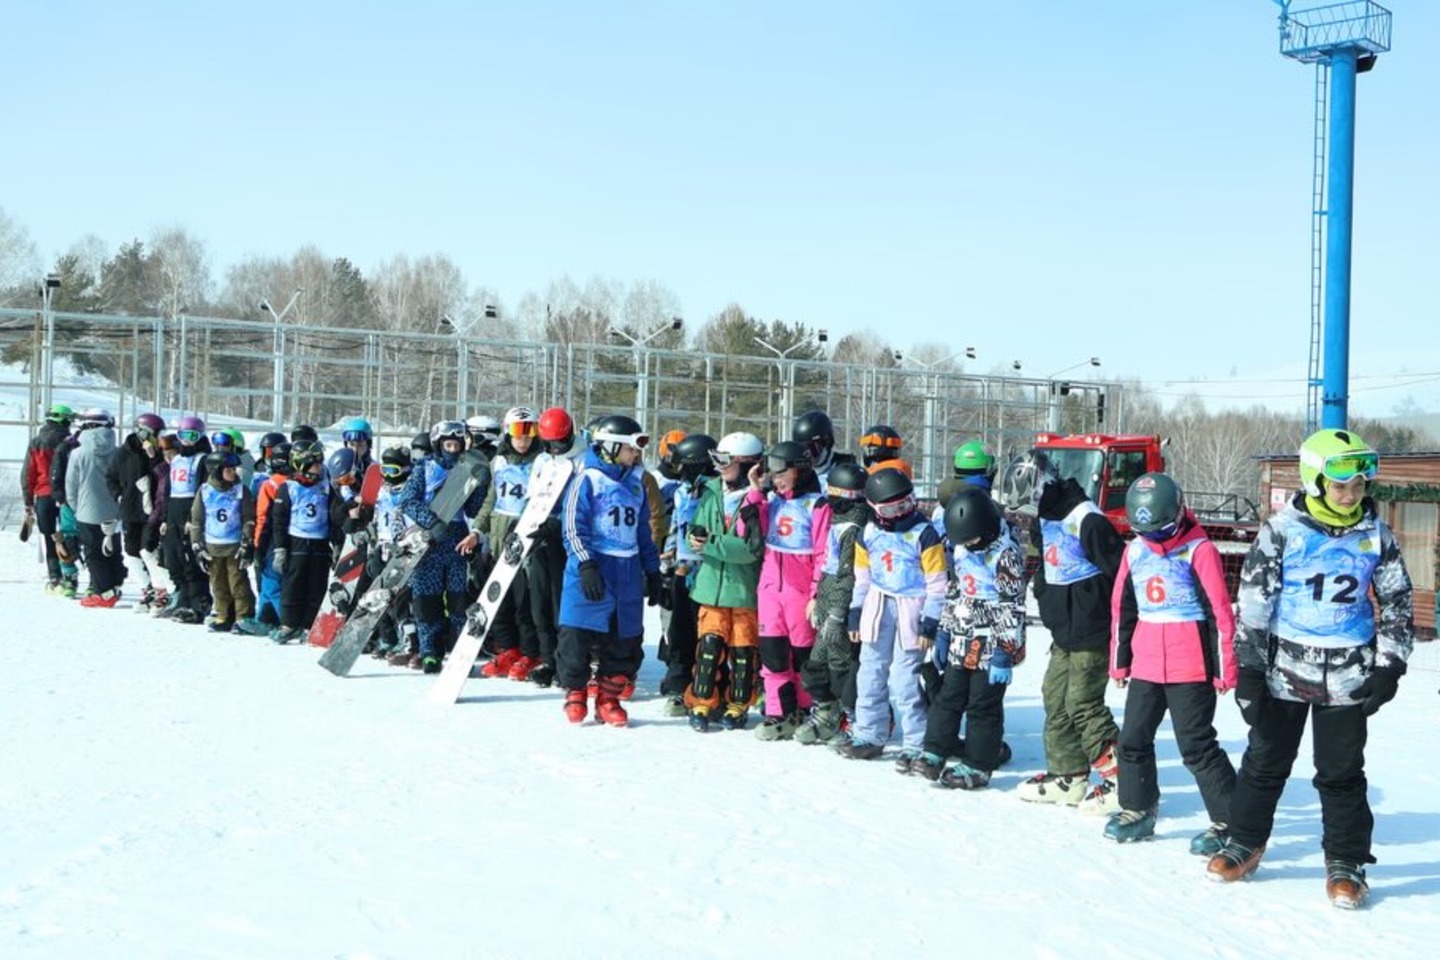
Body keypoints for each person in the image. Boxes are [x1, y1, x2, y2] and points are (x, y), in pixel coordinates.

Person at [1207, 429, 1414, 910]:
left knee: (1341, 772)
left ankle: (1346, 862)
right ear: (1316, 481)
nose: (1351, 494)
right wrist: (1251, 673)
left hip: (1348, 675)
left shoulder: (1375, 536)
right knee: (1265, 762)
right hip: (1284, 671)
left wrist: (1390, 666)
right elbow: (1255, 604)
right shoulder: (1283, 531)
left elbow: (1399, 604)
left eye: (1360, 486)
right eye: (1341, 486)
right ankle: (1243, 841)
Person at [1105, 472, 1237, 847]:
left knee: (1196, 746)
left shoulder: (1200, 549)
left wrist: (1224, 668)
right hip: (1147, 662)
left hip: (1189, 664)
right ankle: (1138, 808)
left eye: (1163, 532)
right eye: (1149, 535)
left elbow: (1219, 612)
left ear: (1178, 515)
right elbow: (1122, 607)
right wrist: (1120, 661)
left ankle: (1231, 822)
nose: (1156, 543)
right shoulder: (1134, 550)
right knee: (1132, 739)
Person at [1001, 449, 1125, 810]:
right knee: (1054, 697)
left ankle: (1123, 781)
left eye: (1028, 506)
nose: (1027, 517)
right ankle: (1067, 776)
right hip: (1063, 629)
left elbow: (1120, 573)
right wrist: (1043, 593)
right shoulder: (1046, 517)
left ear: (1043, 488)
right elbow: (1044, 561)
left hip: (1092, 629)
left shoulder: (1085, 518)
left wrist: (1121, 628)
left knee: (1082, 704)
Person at [914, 488, 1026, 787]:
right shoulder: (962, 548)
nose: (969, 547)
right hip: (962, 637)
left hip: (992, 643)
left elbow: (1011, 606)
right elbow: (955, 591)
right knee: (948, 697)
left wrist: (1005, 650)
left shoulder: (1007, 555)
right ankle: (935, 750)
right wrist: (943, 631)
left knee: (982, 705)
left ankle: (978, 763)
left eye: (973, 541)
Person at [556, 415, 662, 726]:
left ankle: (608, 697)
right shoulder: (587, 479)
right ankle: (575, 692)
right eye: (633, 447)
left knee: (625, 639)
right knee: (576, 637)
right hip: (592, 568)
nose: (637, 454)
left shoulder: (636, 484)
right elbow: (573, 527)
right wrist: (586, 563)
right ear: (612, 446)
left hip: (626, 571)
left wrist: (652, 571)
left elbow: (642, 532)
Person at [841, 468, 947, 764]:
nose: (902, 512)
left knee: (904, 679)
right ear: (876, 510)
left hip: (912, 609)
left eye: (906, 504)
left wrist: (930, 622)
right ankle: (869, 733)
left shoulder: (924, 534)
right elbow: (861, 579)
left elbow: (937, 584)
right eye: (892, 508)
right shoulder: (869, 533)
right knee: (870, 673)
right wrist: (855, 612)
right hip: (878, 606)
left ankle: (916, 740)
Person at [746, 440, 833, 741]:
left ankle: (807, 711)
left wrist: (815, 595)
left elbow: (824, 555)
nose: (776, 479)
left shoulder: (817, 505)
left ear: (799, 469)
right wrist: (755, 492)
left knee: (803, 657)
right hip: (771, 589)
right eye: (772, 473)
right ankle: (778, 712)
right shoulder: (770, 500)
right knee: (772, 655)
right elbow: (747, 531)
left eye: (781, 473)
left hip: (800, 593)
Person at [683, 432, 765, 732]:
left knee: (743, 651)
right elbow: (698, 525)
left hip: (743, 589)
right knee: (708, 647)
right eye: (715, 459)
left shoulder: (759, 499)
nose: (718, 466)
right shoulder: (710, 490)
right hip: (710, 585)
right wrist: (695, 536)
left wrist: (710, 543)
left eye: (725, 460)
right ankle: (701, 701)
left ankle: (738, 704)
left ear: (745, 465)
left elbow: (749, 550)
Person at [397, 421, 488, 672]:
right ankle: (430, 652)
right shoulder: (425, 469)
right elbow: (408, 501)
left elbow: (471, 508)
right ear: (438, 445)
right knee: (427, 600)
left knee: (458, 600)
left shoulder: (465, 470)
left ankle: (460, 652)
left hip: (457, 538)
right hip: (429, 541)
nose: (452, 449)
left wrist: (480, 486)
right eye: (447, 444)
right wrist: (431, 522)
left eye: (456, 445)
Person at [795, 461, 870, 745]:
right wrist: (817, 599)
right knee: (818, 661)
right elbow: (829, 566)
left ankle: (852, 717)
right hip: (828, 596)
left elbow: (850, 574)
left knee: (839, 661)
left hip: (844, 604)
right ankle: (826, 712)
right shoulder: (839, 520)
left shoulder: (854, 526)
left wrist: (838, 611)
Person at [476, 406, 543, 679]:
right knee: (498, 598)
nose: (524, 437)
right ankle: (507, 648)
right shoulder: (499, 462)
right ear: (507, 431)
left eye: (530, 430)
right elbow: (491, 501)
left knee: (523, 600)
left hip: (525, 539)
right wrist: (477, 530)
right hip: (498, 538)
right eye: (518, 430)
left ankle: (530, 652)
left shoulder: (542, 462)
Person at [657, 433, 717, 712]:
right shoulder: (682, 491)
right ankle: (678, 685)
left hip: (710, 572)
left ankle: (710, 687)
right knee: (679, 631)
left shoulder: (715, 492)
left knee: (708, 633)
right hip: (683, 569)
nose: (679, 471)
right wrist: (667, 566)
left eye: (684, 465)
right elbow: (675, 527)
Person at [266, 439, 346, 643]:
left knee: (316, 586)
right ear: (301, 464)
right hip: (297, 543)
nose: (319, 468)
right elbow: (279, 520)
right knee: (293, 584)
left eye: (320, 464)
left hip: (320, 544)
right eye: (315, 464)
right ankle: (289, 624)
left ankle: (310, 625)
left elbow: (334, 517)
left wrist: (337, 544)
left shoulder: (325, 488)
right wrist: (281, 548)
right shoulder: (288, 488)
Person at [525, 407, 582, 687]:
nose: (556, 448)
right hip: (541, 536)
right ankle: (547, 659)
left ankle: (564, 662)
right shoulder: (542, 461)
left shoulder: (583, 460)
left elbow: (583, 503)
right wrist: (526, 524)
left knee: (562, 604)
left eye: (561, 442)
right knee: (539, 602)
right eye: (550, 444)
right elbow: (533, 495)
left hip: (567, 538)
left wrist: (557, 524)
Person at [190, 450, 256, 632]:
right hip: (213, 546)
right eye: (229, 469)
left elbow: (248, 517)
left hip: (234, 545)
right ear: (216, 470)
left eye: (234, 469)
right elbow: (197, 521)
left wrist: (247, 541)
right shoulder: (205, 491)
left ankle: (243, 616)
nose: (234, 472)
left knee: (238, 583)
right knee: (218, 584)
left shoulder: (240, 490)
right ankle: (223, 615)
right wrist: (197, 545)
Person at [66, 409, 126, 607]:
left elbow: (71, 485)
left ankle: (103, 593)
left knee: (93, 553)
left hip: (87, 510)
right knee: (113, 549)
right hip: (114, 511)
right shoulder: (118, 452)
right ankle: (115, 586)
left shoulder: (78, 453)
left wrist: (77, 508)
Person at [158, 416, 213, 623]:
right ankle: (181, 598)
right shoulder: (177, 459)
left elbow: (202, 490)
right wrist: (164, 518)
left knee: (191, 559)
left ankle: (198, 603)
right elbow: (168, 491)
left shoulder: (203, 459)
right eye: (183, 436)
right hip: (173, 510)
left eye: (192, 436)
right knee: (174, 558)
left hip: (191, 509)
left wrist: (194, 517)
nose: (187, 440)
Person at [113, 413, 167, 612]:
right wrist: (119, 495)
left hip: (152, 511)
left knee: (149, 550)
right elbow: (111, 477)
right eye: (157, 433)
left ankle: (161, 591)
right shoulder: (123, 453)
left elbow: (162, 475)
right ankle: (147, 590)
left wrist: (154, 456)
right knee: (131, 551)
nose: (159, 437)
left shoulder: (159, 453)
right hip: (130, 509)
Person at [236, 440, 292, 635]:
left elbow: (262, 516)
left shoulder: (271, 484)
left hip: (271, 538)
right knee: (269, 583)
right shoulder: (297, 482)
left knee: (272, 581)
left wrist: (256, 542)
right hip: (291, 537)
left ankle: (285, 622)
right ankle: (263, 617)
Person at [20, 402, 74, 590]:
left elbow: (28, 473)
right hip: (68, 495)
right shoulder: (71, 441)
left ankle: (54, 577)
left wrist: (28, 501)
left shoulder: (36, 442)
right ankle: (70, 574)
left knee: (50, 536)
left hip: (44, 495)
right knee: (69, 534)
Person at [792, 409, 856, 487]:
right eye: (801, 450)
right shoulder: (796, 475)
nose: (807, 456)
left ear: (827, 443)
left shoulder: (846, 471)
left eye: (812, 448)